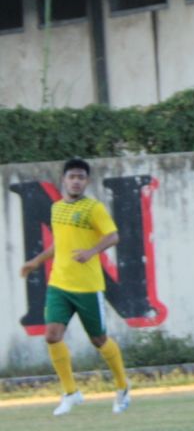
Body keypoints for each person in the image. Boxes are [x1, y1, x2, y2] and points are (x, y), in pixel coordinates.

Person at [18, 157, 131, 416]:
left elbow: (113, 236)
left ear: (86, 181)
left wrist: (91, 251)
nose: (76, 181)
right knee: (51, 335)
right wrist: (35, 262)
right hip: (59, 284)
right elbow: (60, 244)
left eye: (81, 177)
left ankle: (123, 386)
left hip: (88, 287)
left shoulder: (94, 208)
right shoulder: (57, 208)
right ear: (64, 180)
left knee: (99, 340)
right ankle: (71, 393)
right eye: (72, 177)